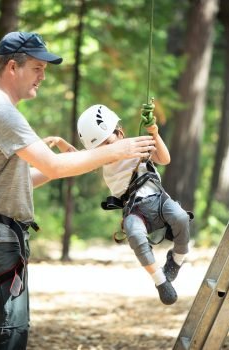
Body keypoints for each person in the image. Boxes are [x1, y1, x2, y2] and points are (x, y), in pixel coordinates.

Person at [0, 31, 156, 350]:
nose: (42, 76)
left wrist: (66, 162)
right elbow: (55, 167)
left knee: (7, 333)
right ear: (12, 67)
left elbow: (26, 178)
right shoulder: (0, 110)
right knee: (8, 334)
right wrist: (118, 151)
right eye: (37, 68)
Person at [77, 103, 192, 305]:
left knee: (181, 217)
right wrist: (60, 143)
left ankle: (177, 259)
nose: (107, 150)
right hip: (135, 210)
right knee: (134, 234)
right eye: (100, 147)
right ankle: (160, 280)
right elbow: (75, 158)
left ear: (120, 134)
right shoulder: (100, 161)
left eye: (109, 142)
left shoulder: (136, 145)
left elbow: (164, 159)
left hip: (158, 199)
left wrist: (154, 132)